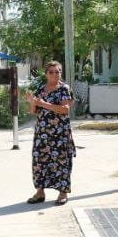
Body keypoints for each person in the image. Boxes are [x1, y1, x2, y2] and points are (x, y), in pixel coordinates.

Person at [27, 61, 74, 206]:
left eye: (57, 71)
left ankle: (63, 193)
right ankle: (40, 192)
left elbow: (65, 109)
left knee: (61, 162)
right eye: (51, 72)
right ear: (46, 74)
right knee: (39, 162)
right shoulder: (41, 88)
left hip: (60, 133)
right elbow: (33, 112)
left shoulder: (64, 89)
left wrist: (42, 103)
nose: (54, 74)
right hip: (42, 133)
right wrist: (32, 102)